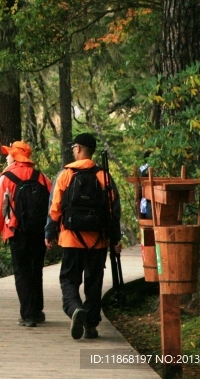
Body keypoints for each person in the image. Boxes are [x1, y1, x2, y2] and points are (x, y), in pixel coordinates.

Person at [44, 132, 122, 340]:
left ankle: (74, 309)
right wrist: (115, 240)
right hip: (98, 241)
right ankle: (91, 325)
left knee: (69, 279)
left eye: (73, 148)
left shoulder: (66, 175)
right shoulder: (103, 176)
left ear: (78, 149)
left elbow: (55, 207)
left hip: (71, 238)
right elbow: (114, 211)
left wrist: (50, 232)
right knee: (94, 282)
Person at [0, 140, 52, 327]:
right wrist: (52, 233)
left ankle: (28, 315)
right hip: (39, 231)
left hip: (16, 231)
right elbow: (53, 206)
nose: (7, 156)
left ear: (16, 156)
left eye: (9, 154)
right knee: (36, 270)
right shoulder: (41, 177)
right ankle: (37, 310)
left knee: (22, 272)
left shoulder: (7, 178)